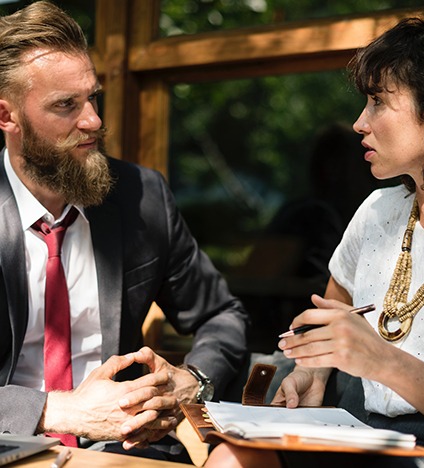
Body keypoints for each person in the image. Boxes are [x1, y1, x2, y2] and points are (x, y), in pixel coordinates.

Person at [205, 10, 424, 468]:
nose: (359, 123)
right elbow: (334, 313)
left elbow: (373, 353)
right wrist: (313, 369)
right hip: (357, 436)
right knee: (233, 456)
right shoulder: (378, 211)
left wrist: (383, 361)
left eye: (379, 102)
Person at [0, 1, 249, 463]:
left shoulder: (141, 196)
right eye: (65, 105)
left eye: (92, 97)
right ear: (6, 118)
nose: (92, 120)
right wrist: (58, 410)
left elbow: (223, 316)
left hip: (126, 452)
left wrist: (193, 380)